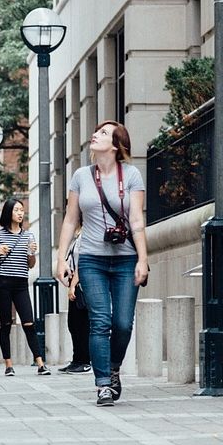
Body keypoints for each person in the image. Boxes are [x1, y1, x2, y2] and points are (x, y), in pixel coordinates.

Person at [57, 121, 150, 407]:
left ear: (116, 145)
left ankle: (112, 368)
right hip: (91, 259)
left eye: (103, 133)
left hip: (125, 259)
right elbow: (71, 219)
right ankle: (103, 385)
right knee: (100, 321)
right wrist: (61, 258)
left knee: (122, 323)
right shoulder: (81, 176)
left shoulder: (132, 175)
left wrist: (143, 259)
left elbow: (136, 220)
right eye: (96, 131)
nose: (95, 135)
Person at [0, 197, 49, 376]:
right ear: (8, 213)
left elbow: (30, 264)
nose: (20, 213)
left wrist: (32, 252)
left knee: (29, 322)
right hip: (3, 283)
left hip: (21, 284)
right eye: (16, 210)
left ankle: (40, 363)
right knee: (6, 323)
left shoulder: (29, 235)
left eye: (22, 210)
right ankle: (8, 365)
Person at [58, 230, 91, 374]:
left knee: (82, 324)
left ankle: (85, 362)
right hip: (76, 281)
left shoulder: (87, 234)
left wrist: (73, 285)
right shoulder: (78, 234)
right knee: (73, 323)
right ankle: (77, 359)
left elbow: (84, 261)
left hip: (82, 282)